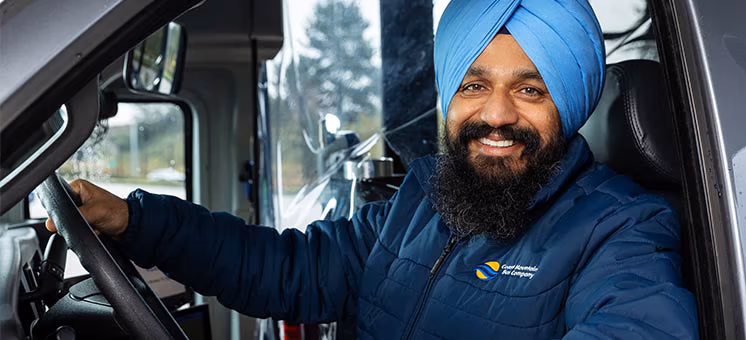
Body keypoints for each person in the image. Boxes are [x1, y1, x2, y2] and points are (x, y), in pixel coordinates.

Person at [47, 0, 698, 338]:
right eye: (474, 85)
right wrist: (135, 220)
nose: (496, 115)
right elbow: (289, 270)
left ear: (571, 100)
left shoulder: (623, 228)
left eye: (530, 90)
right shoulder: (423, 198)